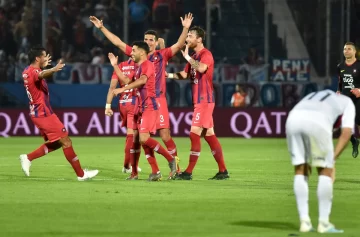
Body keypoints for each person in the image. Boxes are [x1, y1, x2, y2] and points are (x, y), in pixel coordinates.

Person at [89, 13, 194, 173]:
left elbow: (179, 44)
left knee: (165, 135)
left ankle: (176, 169)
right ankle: (153, 170)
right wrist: (102, 27)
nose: (148, 42)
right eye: (145, 39)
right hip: (141, 101)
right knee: (141, 137)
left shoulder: (162, 55)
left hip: (158, 100)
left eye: (151, 39)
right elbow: (118, 43)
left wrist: (186, 28)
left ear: (157, 42)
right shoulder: (138, 54)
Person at [19, 46, 99, 181]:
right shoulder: (34, 72)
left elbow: (39, 74)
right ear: (38, 58)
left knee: (57, 143)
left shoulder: (26, 71)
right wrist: (53, 69)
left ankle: (28, 158)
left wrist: (45, 67)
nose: (46, 57)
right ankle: (81, 175)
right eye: (44, 55)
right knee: (66, 141)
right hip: (43, 114)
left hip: (38, 113)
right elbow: (42, 75)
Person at [286, 89, 354, 233]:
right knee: (325, 172)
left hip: (292, 119)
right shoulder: (348, 102)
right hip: (318, 122)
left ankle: (304, 222)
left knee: (300, 169)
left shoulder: (316, 94)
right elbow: (346, 133)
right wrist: (332, 160)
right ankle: (323, 223)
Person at [166, 26, 228, 180]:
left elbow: (201, 68)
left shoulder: (206, 54)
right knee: (209, 135)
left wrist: (187, 57)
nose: (187, 39)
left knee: (194, 134)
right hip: (200, 101)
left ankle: (188, 172)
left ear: (199, 39)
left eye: (190, 36)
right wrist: (168, 75)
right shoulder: (194, 55)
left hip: (204, 100)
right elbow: (185, 74)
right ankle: (223, 171)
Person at [110, 42, 177, 181]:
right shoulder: (139, 68)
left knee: (144, 139)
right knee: (142, 141)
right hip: (141, 107)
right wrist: (115, 66)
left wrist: (122, 90)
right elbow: (128, 80)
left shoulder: (147, 65)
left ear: (141, 52)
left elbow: (142, 81)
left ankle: (171, 159)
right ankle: (154, 172)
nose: (131, 53)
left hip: (149, 107)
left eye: (133, 50)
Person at [104, 57, 142, 177]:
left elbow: (112, 87)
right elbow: (130, 82)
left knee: (133, 134)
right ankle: (127, 165)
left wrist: (108, 106)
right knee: (134, 135)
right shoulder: (140, 65)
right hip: (134, 102)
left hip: (122, 104)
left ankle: (132, 163)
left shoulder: (120, 66)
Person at [336, 42, 360, 158]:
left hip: (358, 98)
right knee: (344, 127)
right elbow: (340, 82)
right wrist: (339, 91)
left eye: (349, 49)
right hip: (346, 100)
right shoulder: (340, 66)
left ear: (354, 51)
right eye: (345, 49)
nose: (346, 51)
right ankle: (354, 141)